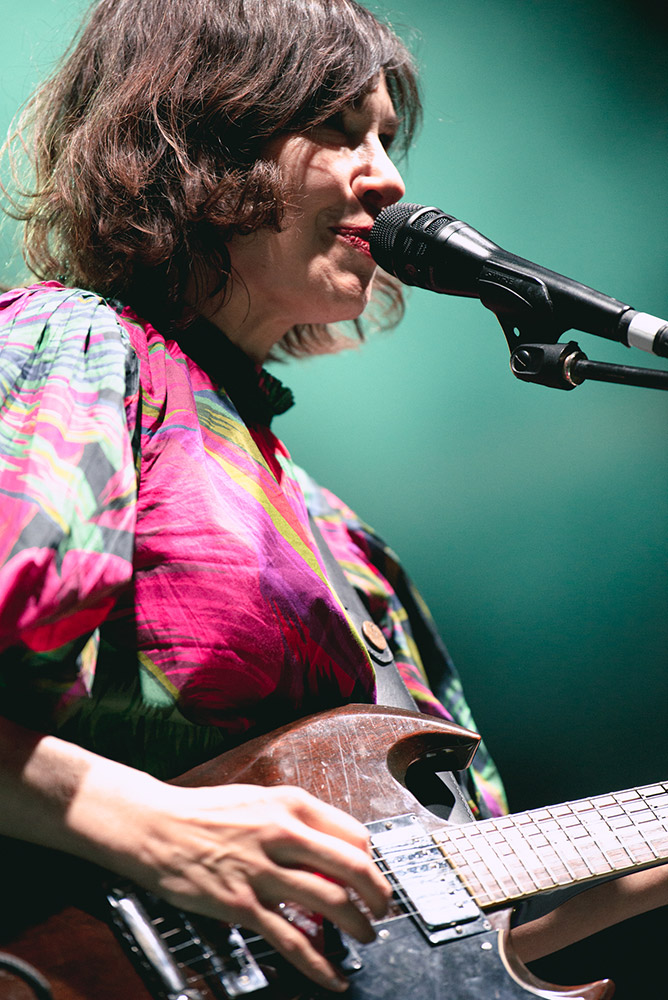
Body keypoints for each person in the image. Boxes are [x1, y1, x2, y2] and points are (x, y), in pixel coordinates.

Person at [0, 0, 665, 994]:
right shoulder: (81, 348)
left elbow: (435, 926)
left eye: (387, 138)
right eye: (340, 129)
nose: (389, 178)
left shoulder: (346, 545)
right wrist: (146, 825)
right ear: (206, 137)